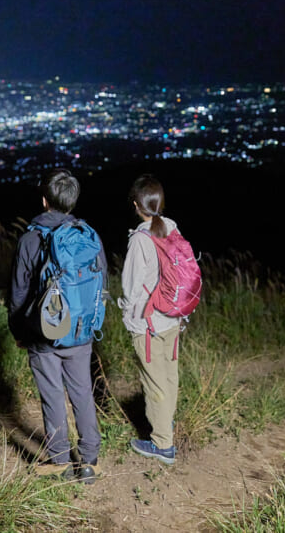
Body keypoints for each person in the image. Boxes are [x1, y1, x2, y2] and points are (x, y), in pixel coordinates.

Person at [9, 168, 106, 484]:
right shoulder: (87, 236)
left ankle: (61, 462)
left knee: (51, 396)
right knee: (82, 393)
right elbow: (101, 281)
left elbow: (19, 293)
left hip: (43, 335)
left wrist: (19, 332)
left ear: (44, 199)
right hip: (81, 333)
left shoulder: (29, 239)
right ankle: (89, 461)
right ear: (72, 201)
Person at [119, 174, 181, 465]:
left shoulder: (140, 240)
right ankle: (165, 425)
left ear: (136, 205)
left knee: (154, 381)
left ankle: (162, 444)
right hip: (172, 318)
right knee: (169, 375)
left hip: (148, 324)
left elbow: (131, 289)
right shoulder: (172, 227)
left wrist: (125, 312)